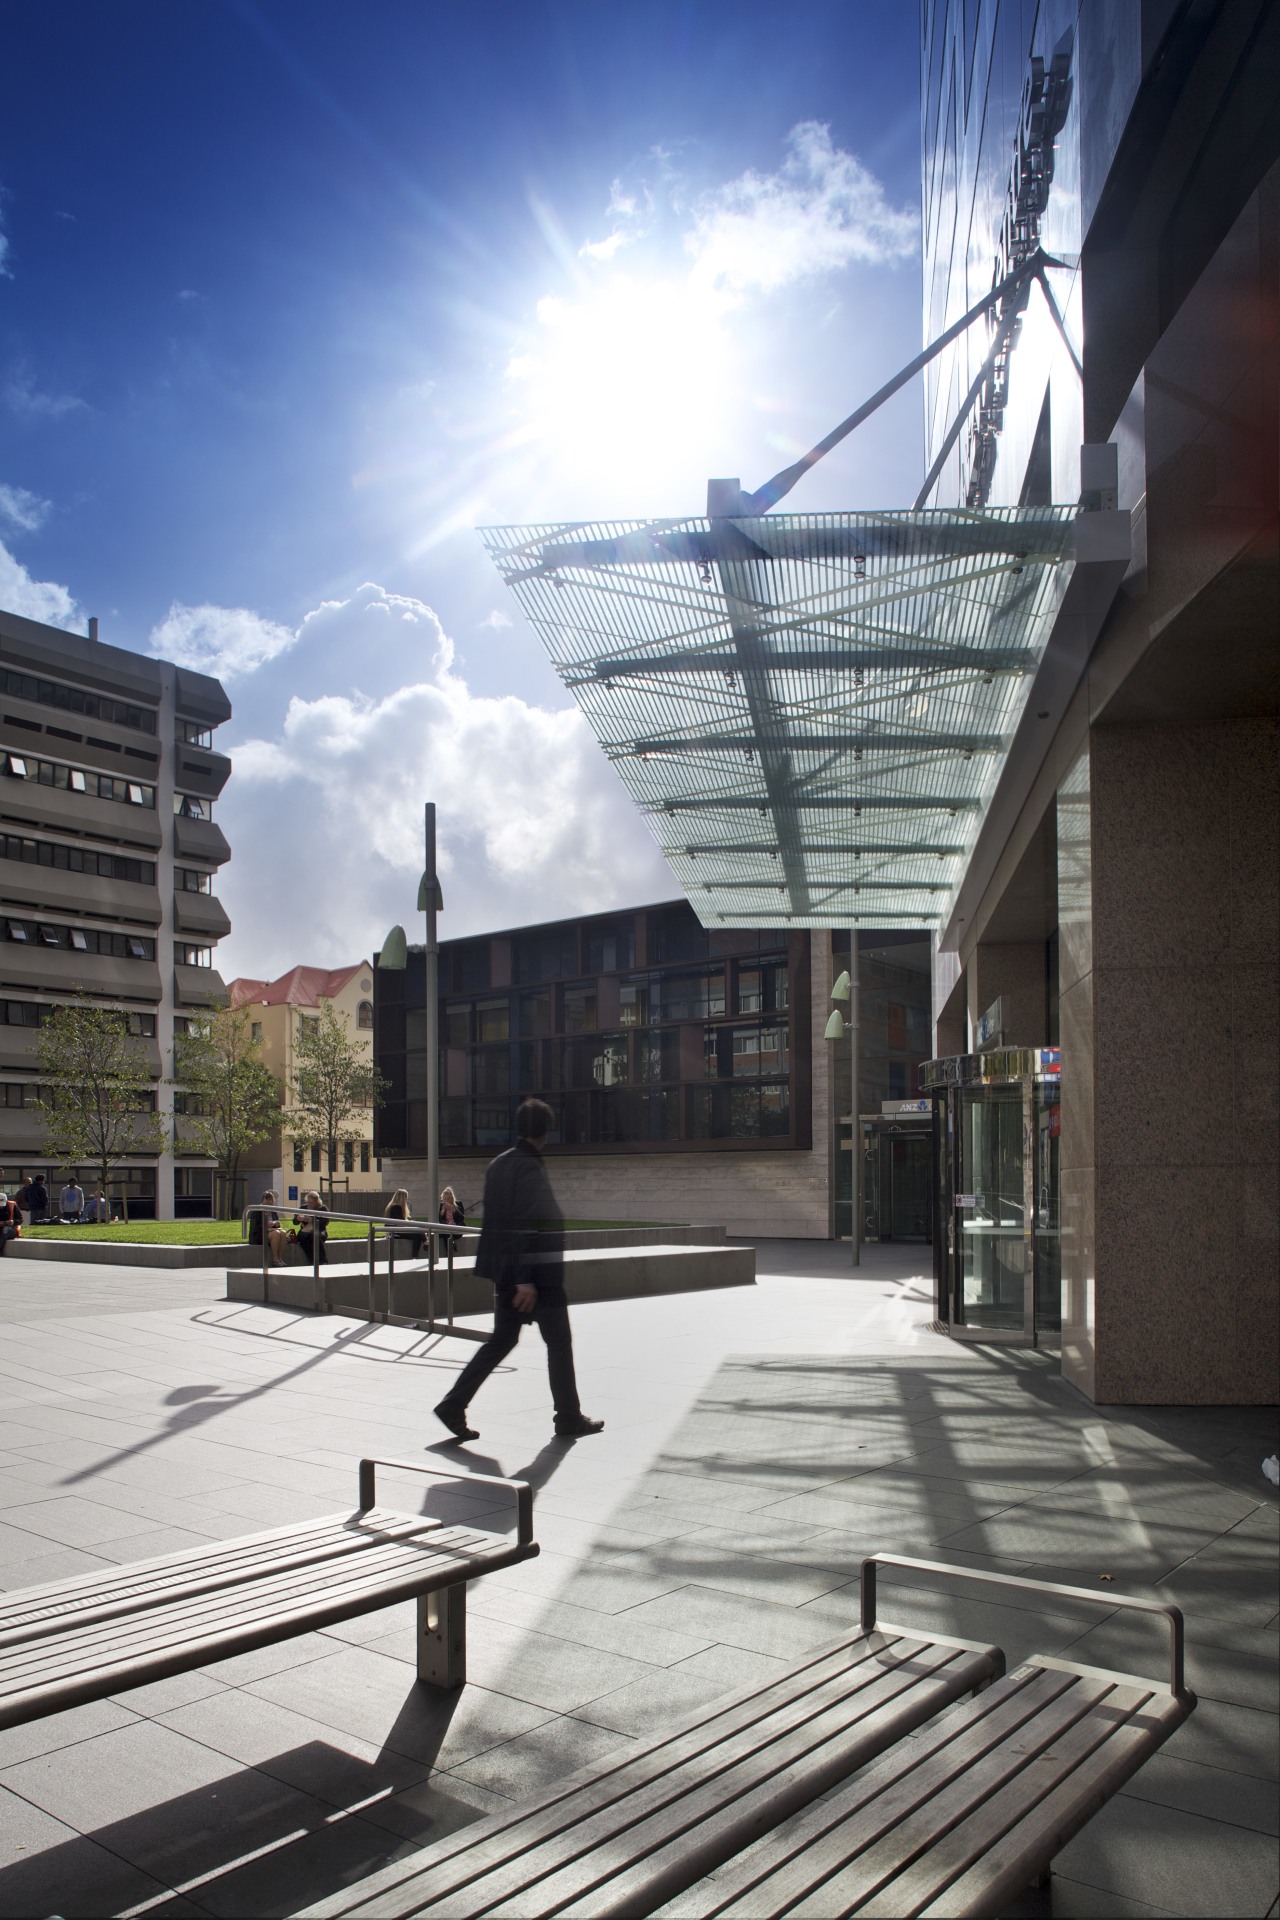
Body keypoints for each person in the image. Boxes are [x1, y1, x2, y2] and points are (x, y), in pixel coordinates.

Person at [434, 1098, 602, 1443]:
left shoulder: (499, 1164)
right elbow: (524, 1223)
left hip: (508, 1273)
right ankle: (568, 1416)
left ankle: (453, 1404)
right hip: (536, 1278)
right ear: (546, 1131)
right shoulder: (528, 1166)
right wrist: (527, 1279)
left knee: (502, 1340)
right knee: (559, 1342)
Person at [248, 1189, 288, 1265]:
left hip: (271, 1232)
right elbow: (254, 1227)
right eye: (267, 1199)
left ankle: (280, 1258)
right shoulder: (256, 1210)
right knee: (276, 1233)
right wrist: (265, 1225)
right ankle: (275, 1259)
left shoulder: (273, 1210)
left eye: (271, 1200)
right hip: (259, 1234)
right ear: (263, 1200)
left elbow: (276, 1224)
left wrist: (276, 1224)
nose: (269, 1202)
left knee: (283, 1233)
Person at [384, 1187, 424, 1258]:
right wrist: (410, 1223)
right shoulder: (396, 1208)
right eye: (406, 1197)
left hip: (395, 1230)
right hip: (395, 1232)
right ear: (402, 1198)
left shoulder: (392, 1206)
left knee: (417, 1231)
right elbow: (401, 1223)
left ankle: (422, 1245)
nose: (407, 1200)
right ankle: (422, 1245)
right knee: (416, 1236)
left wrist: (410, 1222)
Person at [290, 1190, 327, 1265]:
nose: (309, 1204)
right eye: (308, 1202)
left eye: (311, 1203)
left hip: (319, 1230)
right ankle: (311, 1259)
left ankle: (323, 1260)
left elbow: (325, 1221)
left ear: (316, 1202)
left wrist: (312, 1220)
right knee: (302, 1237)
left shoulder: (322, 1208)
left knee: (315, 1236)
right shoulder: (303, 1208)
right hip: (305, 1230)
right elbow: (295, 1222)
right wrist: (298, 1218)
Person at [438, 1185, 466, 1257]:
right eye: (444, 1199)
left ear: (451, 1198)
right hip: (447, 1228)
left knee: (446, 1233)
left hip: (457, 1228)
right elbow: (440, 1220)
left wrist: (452, 1208)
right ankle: (449, 1252)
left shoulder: (458, 1204)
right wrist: (442, 1212)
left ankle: (448, 1253)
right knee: (446, 1233)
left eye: (447, 1199)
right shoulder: (442, 1205)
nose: (445, 1201)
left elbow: (462, 1217)